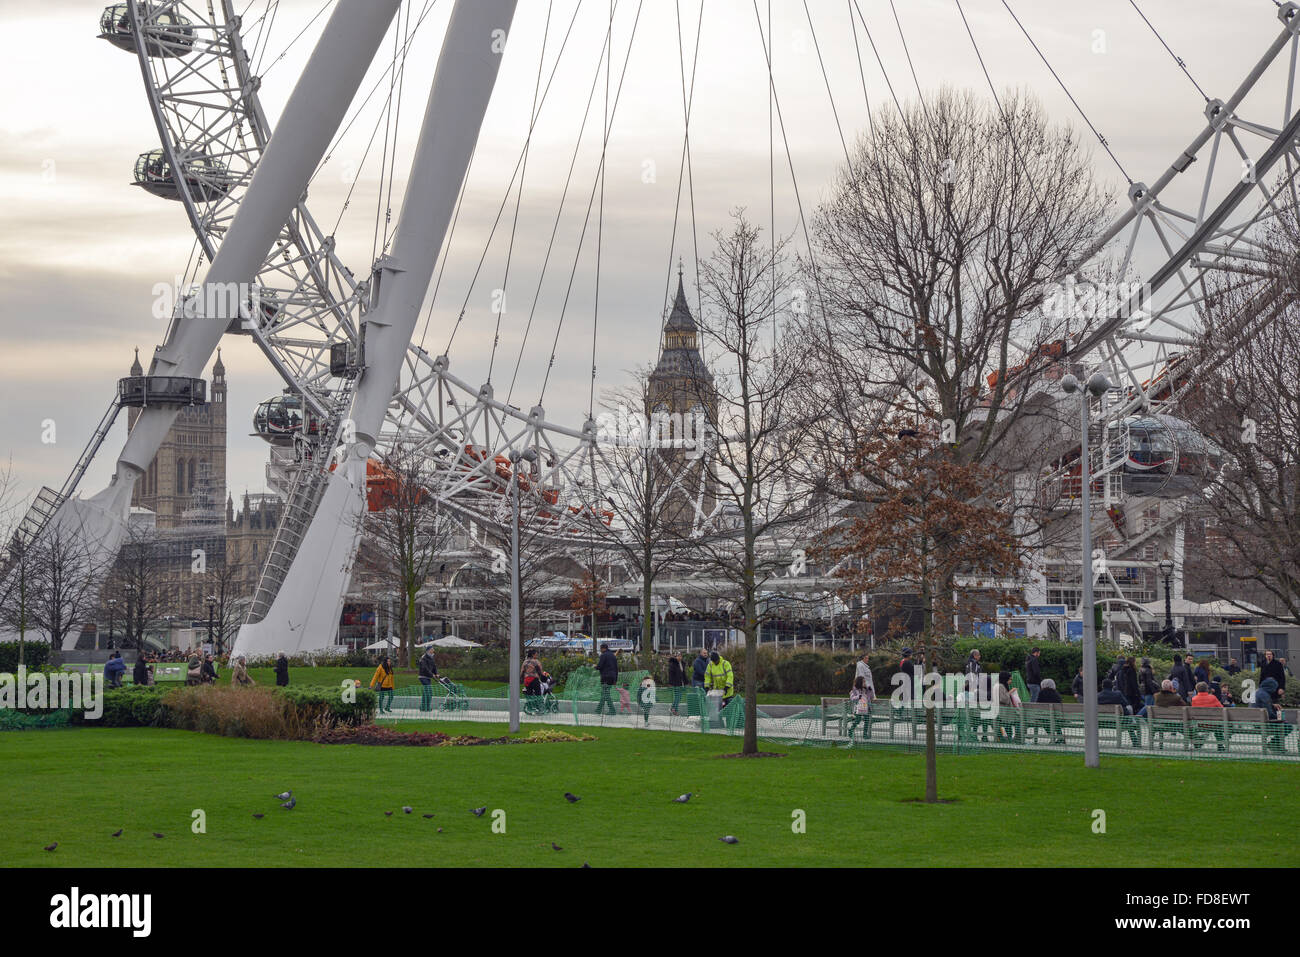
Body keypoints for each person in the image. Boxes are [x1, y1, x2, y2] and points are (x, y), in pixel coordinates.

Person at [1099, 677, 1141, 746]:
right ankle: (1135, 742)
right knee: (1129, 719)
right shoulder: (1117, 694)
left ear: (1102, 686)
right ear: (1112, 686)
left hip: (1102, 722)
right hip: (1119, 721)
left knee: (1128, 717)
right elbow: (1126, 703)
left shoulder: (1097, 696)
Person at [705, 650, 736, 728]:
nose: (715, 662)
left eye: (716, 661)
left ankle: (730, 725)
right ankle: (717, 724)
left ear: (719, 659)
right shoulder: (710, 665)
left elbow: (730, 676)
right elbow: (707, 676)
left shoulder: (725, 664)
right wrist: (707, 686)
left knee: (729, 708)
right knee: (716, 710)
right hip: (717, 692)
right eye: (714, 661)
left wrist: (726, 687)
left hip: (727, 691)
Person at [595, 643, 618, 716]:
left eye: (600, 649)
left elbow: (600, 666)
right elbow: (616, 668)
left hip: (605, 677)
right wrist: (615, 680)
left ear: (603, 648)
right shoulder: (613, 656)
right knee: (604, 694)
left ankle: (612, 710)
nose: (600, 651)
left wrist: (595, 667)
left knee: (606, 694)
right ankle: (598, 710)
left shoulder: (603, 655)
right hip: (612, 677)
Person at [847, 675, 872, 740]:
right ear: (859, 682)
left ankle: (865, 734)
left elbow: (869, 698)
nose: (865, 683)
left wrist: (869, 691)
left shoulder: (866, 689)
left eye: (865, 682)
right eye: (863, 682)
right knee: (857, 720)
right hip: (858, 708)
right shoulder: (854, 690)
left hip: (866, 707)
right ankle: (850, 730)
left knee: (867, 721)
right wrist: (858, 696)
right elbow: (852, 698)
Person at [419, 646, 440, 712]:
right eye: (432, 649)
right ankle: (424, 707)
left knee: (427, 692)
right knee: (428, 692)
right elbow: (425, 668)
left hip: (428, 677)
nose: (433, 650)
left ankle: (425, 707)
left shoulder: (431, 657)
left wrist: (436, 673)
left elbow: (434, 666)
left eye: (433, 649)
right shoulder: (424, 658)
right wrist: (432, 675)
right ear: (428, 650)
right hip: (423, 677)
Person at [666, 651, 688, 715]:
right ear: (675, 657)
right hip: (675, 683)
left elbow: (683, 673)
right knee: (677, 696)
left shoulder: (682, 663)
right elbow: (671, 674)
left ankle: (673, 708)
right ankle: (674, 709)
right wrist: (671, 683)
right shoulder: (673, 664)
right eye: (678, 656)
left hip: (681, 682)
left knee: (679, 697)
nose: (679, 657)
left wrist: (685, 681)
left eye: (680, 656)